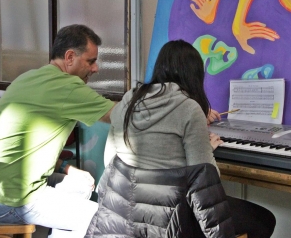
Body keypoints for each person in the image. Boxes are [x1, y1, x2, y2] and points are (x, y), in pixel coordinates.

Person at [93, 39, 276, 238]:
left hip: (120, 219)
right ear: (194, 75)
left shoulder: (128, 101)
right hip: (169, 222)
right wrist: (206, 147)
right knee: (264, 219)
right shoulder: (189, 108)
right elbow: (206, 182)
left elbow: (109, 162)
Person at [0, 24, 115, 238]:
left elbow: (25, 147)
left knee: (83, 185)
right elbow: (119, 115)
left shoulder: (28, 78)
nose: (95, 68)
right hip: (11, 200)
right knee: (102, 220)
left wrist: (66, 168)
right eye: (91, 61)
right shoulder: (67, 86)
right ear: (70, 57)